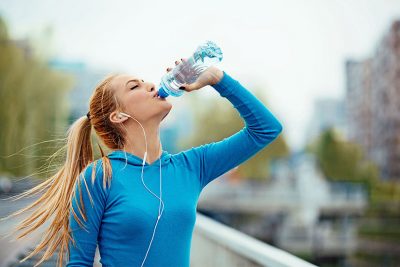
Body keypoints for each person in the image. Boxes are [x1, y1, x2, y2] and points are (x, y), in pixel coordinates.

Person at [3, 59, 283, 267]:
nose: (151, 84)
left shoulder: (191, 166)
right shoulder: (99, 177)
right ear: (118, 116)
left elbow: (266, 129)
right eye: (134, 86)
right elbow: (80, 263)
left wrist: (218, 79)